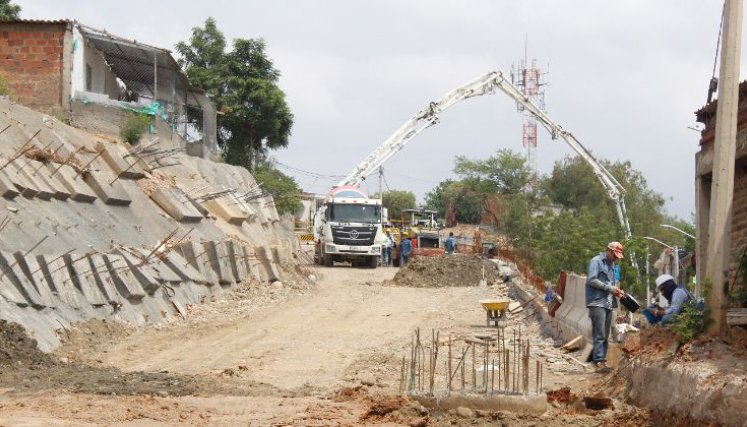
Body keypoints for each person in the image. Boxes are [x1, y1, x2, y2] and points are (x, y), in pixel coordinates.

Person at [586, 241, 625, 373]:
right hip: (597, 302)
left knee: (606, 334)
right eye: (614, 255)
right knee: (600, 333)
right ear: (609, 250)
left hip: (608, 303)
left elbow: (611, 284)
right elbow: (591, 279)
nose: (615, 258)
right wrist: (609, 288)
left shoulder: (611, 265)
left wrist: (618, 291)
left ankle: (602, 361)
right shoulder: (596, 261)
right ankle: (598, 361)